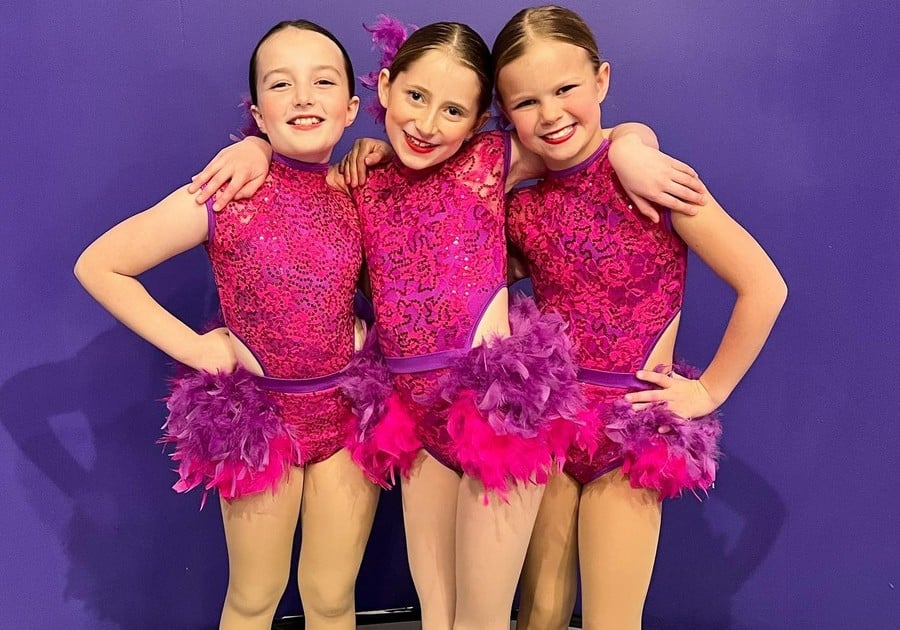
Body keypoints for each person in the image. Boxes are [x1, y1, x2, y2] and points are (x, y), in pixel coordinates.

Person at [189, 18, 708, 630]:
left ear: (482, 119)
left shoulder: (493, 161)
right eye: (415, 98)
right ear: (382, 89)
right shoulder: (363, 180)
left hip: (496, 408)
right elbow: (294, 189)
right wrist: (251, 143)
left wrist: (632, 145)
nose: (429, 124)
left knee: (482, 617)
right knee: (438, 614)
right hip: (413, 416)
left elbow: (576, 136)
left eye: (454, 110)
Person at [75, 20, 381, 630]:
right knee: (254, 596)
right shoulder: (227, 190)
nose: (302, 96)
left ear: (350, 108)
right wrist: (194, 348)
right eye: (281, 83)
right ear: (258, 113)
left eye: (322, 82)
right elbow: (101, 264)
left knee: (330, 596)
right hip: (261, 421)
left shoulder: (360, 190)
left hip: (347, 415)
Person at [491, 6, 788, 629]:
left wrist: (709, 388)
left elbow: (763, 286)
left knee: (611, 619)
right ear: (506, 114)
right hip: (550, 426)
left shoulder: (654, 183)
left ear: (601, 81)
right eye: (526, 102)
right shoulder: (522, 209)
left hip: (629, 429)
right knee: (539, 611)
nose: (550, 114)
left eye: (566, 89)